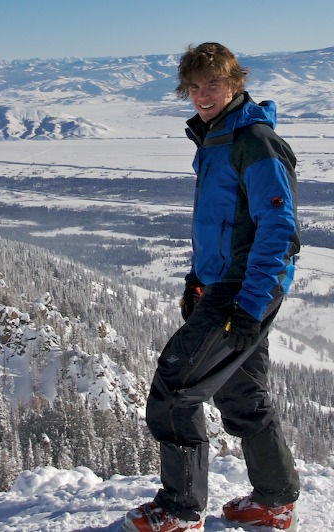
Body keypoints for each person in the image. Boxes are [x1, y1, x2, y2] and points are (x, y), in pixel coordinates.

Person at [123, 42, 301, 532]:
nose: (202, 94)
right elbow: (222, 223)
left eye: (212, 84)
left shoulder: (254, 142)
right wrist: (196, 279)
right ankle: (275, 500)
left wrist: (250, 303)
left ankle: (180, 510)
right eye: (194, 86)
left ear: (234, 83)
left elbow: (278, 229)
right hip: (222, 285)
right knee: (241, 394)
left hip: (245, 289)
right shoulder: (216, 139)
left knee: (176, 387)